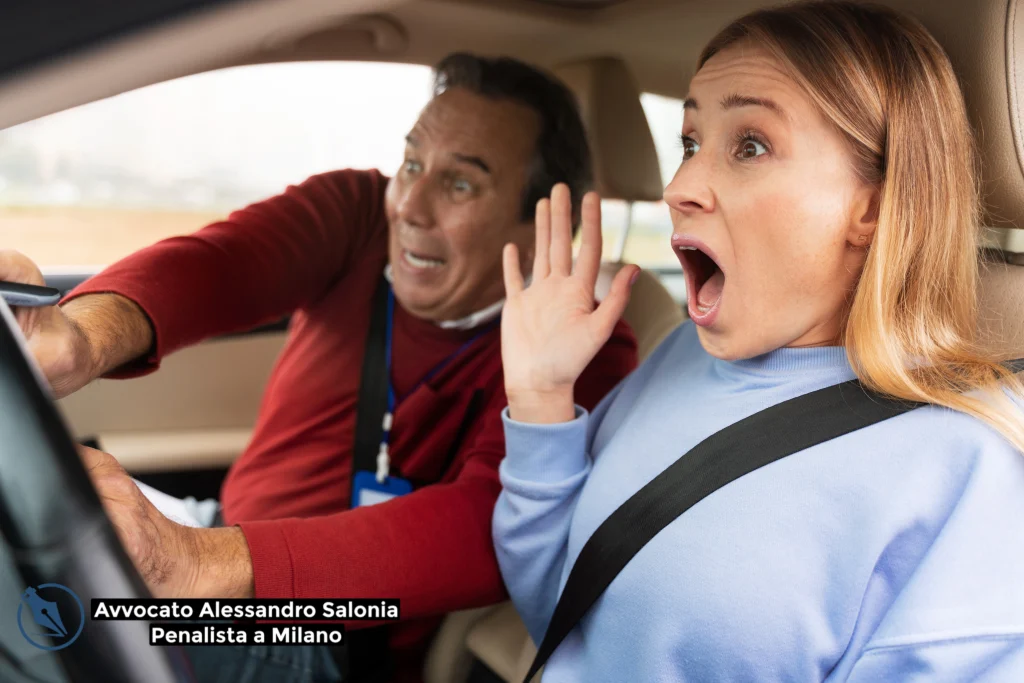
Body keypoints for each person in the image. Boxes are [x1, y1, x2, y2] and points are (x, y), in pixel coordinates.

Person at [1, 53, 638, 682]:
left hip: (326, 633)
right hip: (213, 531)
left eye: (461, 183)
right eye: (412, 163)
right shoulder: (360, 213)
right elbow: (223, 267)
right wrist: (81, 337)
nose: (410, 205)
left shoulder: (582, 347)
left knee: (40, 619)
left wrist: (197, 565)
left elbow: (490, 526)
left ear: (541, 221)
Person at [494, 3, 1024, 681]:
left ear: (872, 204)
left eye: (750, 145)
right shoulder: (680, 356)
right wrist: (540, 397)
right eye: (690, 142)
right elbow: (561, 618)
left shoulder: (973, 463)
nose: (679, 187)